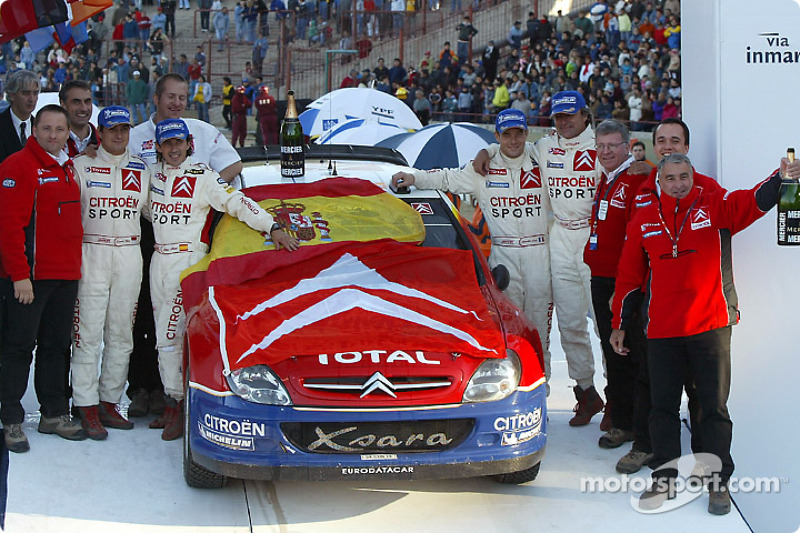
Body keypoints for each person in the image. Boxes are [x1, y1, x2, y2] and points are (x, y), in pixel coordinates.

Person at [610, 152, 797, 515]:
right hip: (663, 330)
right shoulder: (644, 219)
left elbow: (755, 200)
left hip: (710, 327)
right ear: (659, 182)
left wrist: (781, 176)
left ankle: (717, 483)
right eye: (671, 178)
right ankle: (664, 478)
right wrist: (619, 324)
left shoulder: (716, 207)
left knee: (712, 409)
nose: (678, 184)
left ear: (693, 178)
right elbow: (629, 276)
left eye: (684, 177)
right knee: (662, 409)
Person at [146, 118, 299, 440]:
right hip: (158, 258)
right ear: (158, 147)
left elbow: (236, 202)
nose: (174, 149)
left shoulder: (203, 176)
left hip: (187, 262)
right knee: (162, 336)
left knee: (170, 334)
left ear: (189, 143)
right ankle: (171, 401)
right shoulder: (152, 174)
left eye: (179, 142)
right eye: (167, 144)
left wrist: (272, 226)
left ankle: (178, 404)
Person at [391, 108, 554, 392]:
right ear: (498, 136)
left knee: (539, 327)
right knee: (510, 327)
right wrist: (414, 177)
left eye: (519, 134)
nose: (513, 141)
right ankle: (514, 387)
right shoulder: (483, 168)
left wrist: (487, 149)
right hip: (504, 254)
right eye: (507, 135)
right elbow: (446, 178)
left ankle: (542, 388)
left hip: (541, 251)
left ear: (527, 134)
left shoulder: (542, 158)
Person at [474, 90, 602, 424]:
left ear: (585, 115)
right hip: (558, 238)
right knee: (571, 324)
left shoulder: (601, 146)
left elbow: (627, 167)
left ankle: (622, 398)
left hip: (596, 238)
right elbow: (510, 150)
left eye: (570, 115)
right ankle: (585, 392)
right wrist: (486, 150)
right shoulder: (544, 147)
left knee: (607, 325)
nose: (564, 121)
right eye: (559, 117)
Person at [126, 74, 245, 418]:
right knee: (144, 316)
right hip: (147, 231)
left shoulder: (203, 131)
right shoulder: (135, 137)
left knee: (183, 318)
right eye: (170, 97)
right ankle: (142, 389)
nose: (177, 103)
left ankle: (179, 395)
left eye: (182, 97)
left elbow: (233, 164)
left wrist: (207, 187)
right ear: (156, 99)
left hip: (190, 234)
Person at [0, 105, 88, 452]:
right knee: (19, 348)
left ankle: (54, 413)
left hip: (65, 276)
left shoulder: (67, 165)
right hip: (31, 279)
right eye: (46, 128)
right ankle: (10, 419)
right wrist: (20, 275)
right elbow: (8, 228)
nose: (53, 135)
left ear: (68, 132)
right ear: (33, 128)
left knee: (55, 347)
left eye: (60, 129)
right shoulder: (18, 166)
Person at [71, 106, 151, 441]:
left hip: (130, 254)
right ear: (99, 133)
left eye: (124, 129)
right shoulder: (80, 165)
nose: (119, 135)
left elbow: (156, 212)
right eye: (112, 129)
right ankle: (85, 404)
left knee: (121, 334)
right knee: (87, 333)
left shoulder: (142, 168)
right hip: (93, 251)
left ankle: (109, 401)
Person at [584, 120, 647, 453]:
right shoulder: (607, 179)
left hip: (620, 281)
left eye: (612, 145)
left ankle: (630, 424)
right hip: (600, 275)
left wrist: (624, 284)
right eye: (601, 146)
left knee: (625, 351)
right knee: (612, 350)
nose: (606, 151)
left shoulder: (635, 178)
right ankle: (623, 417)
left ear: (627, 146)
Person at [0, 70, 39, 164]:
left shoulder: (41, 127)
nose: (31, 99)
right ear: (12, 95)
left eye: (35, 93)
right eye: (25, 93)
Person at [59, 80, 99, 159]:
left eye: (87, 101)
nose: (83, 108)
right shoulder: (51, 141)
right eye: (76, 102)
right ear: (63, 105)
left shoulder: (104, 142)